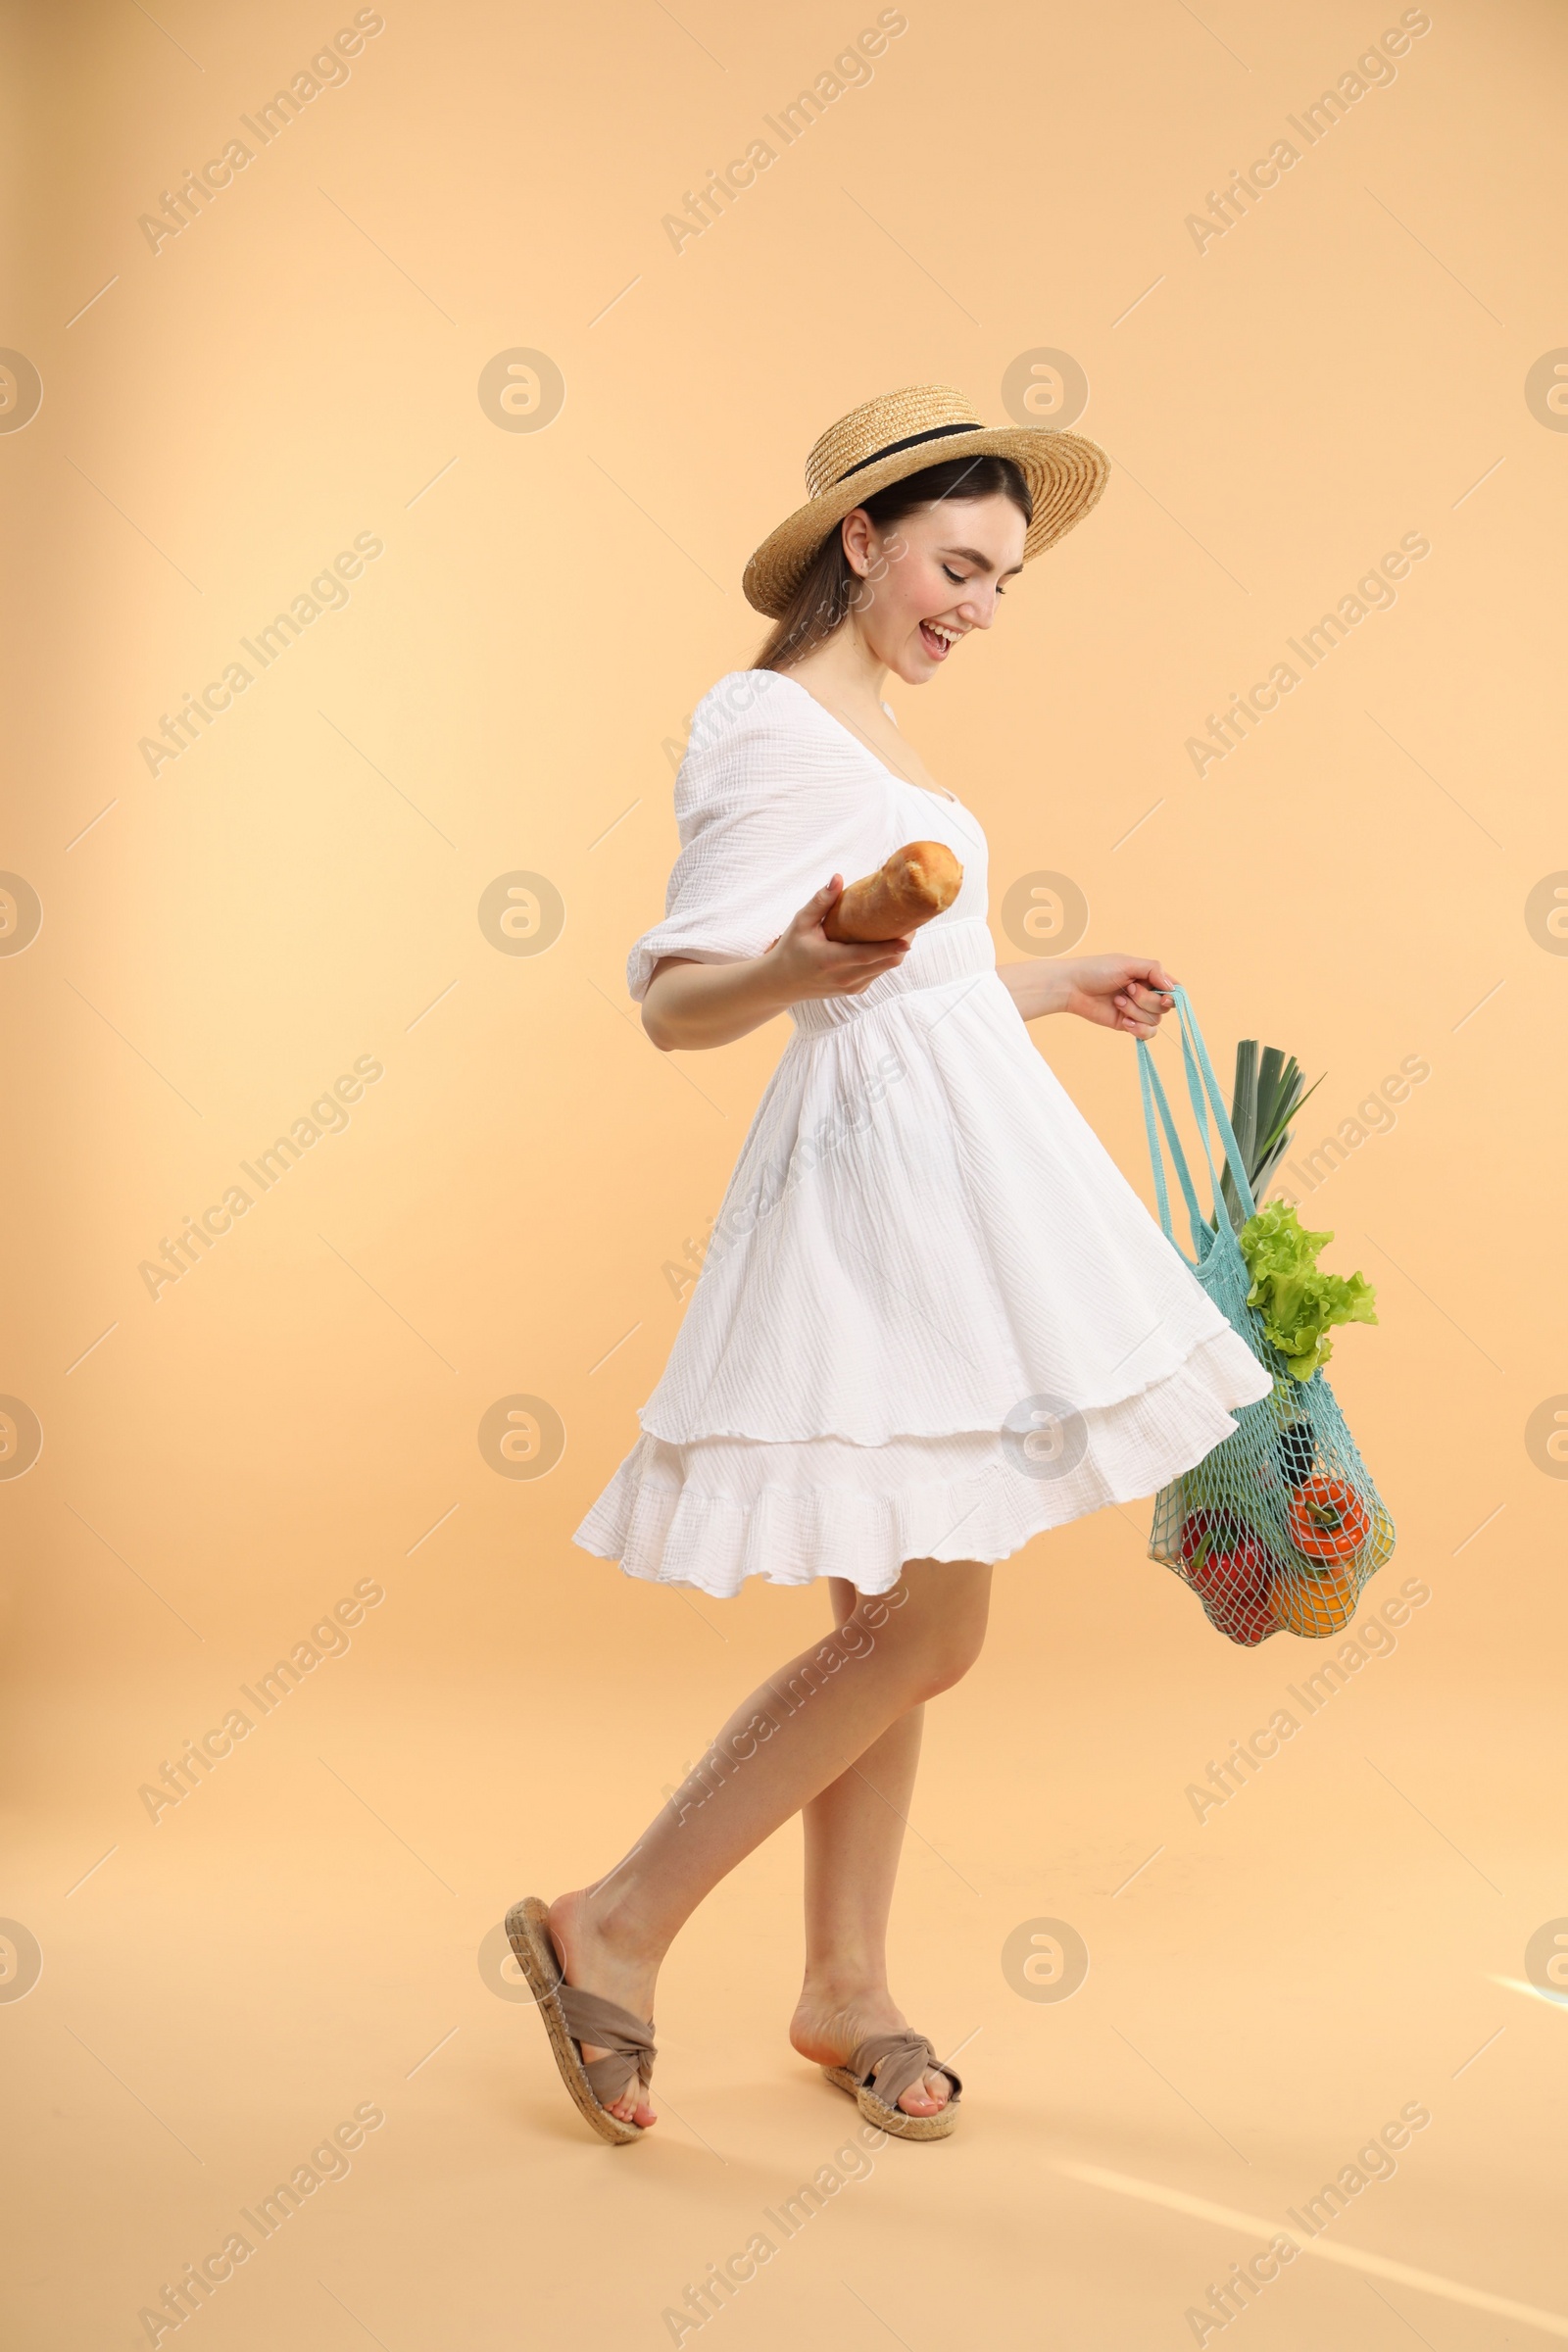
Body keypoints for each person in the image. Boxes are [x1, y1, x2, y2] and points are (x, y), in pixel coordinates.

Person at [508, 385, 1272, 2145]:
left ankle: (844, 1980)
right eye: (956, 564)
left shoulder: (877, 732)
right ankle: (610, 1924)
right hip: (881, 1211)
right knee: (930, 1628)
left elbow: (901, 988)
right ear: (862, 538)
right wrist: (787, 967)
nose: (978, 609)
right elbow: (676, 1005)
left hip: (949, 1177)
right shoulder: (769, 724)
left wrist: (1047, 989)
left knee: (889, 1614)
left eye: (1003, 581)